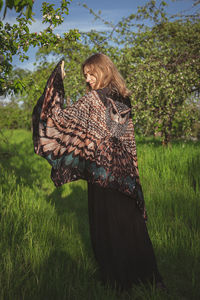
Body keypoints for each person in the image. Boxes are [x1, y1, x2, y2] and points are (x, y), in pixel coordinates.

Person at [32, 53, 164, 291]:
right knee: (130, 225)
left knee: (107, 227)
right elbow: (118, 138)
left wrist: (56, 81)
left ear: (104, 71)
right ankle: (146, 277)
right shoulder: (123, 97)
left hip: (102, 173)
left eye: (92, 74)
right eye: (86, 75)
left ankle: (118, 281)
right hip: (123, 174)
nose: (89, 79)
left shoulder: (94, 99)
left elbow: (56, 120)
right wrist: (132, 172)